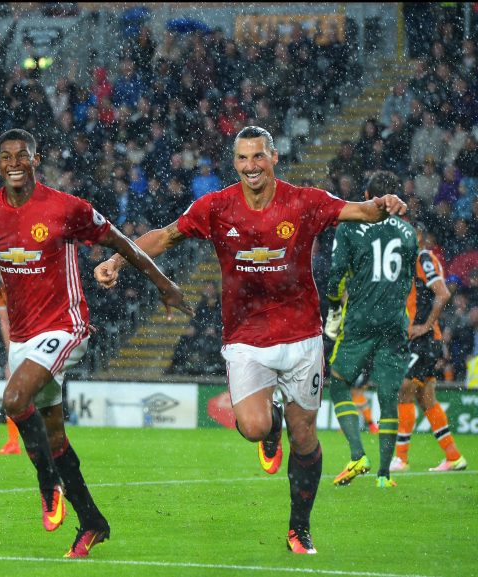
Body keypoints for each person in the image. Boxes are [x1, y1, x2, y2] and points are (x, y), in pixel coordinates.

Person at [94, 127, 408, 554]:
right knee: (254, 427)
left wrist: (385, 205)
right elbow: (165, 236)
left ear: (274, 157)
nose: (250, 166)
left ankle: (299, 528)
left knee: (306, 439)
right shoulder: (217, 207)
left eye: (258, 156)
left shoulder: (304, 202)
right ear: (234, 162)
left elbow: (361, 212)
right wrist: (117, 258)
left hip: (301, 337)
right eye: (242, 158)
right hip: (245, 337)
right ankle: (270, 425)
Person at [0, 129, 190, 558]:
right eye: (6, 156)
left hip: (66, 327)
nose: (14, 162)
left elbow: (119, 241)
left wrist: (163, 285)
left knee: (15, 399)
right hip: (23, 336)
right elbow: (6, 263)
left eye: (23, 155)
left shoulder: (66, 208)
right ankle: (92, 521)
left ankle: (45, 482)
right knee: (54, 438)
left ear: (36, 160)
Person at [322, 170, 417, 490]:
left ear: (367, 196)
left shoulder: (350, 226)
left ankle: (357, 454)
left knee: (337, 382)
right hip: (394, 320)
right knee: (389, 395)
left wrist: (334, 303)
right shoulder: (407, 232)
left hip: (361, 318)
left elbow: (336, 273)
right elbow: (407, 280)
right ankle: (384, 475)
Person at [390, 222, 467, 473]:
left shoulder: (423, 258)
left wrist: (425, 325)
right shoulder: (411, 262)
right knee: (426, 398)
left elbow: (442, 293)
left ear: (419, 237)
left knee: (403, 388)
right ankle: (453, 456)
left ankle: (401, 458)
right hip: (421, 339)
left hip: (423, 340)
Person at [0, 284, 21, 456]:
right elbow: (4, 322)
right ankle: (13, 442)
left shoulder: (27, 281)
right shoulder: (1, 291)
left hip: (36, 339)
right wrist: (12, 353)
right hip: (19, 342)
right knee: (11, 391)